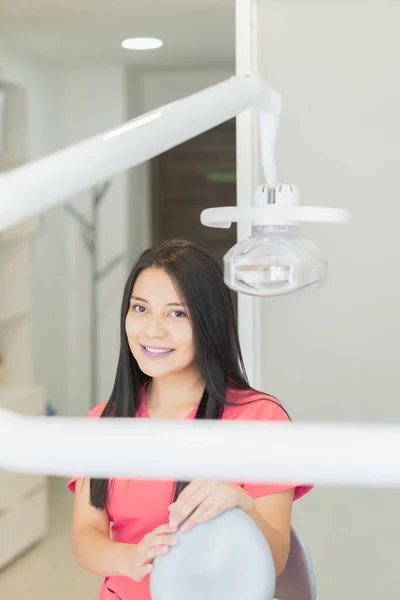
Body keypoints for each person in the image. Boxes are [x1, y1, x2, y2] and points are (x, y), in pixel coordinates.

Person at [68, 239, 312, 600]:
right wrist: (129, 557)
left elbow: (275, 560)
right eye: (140, 308)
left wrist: (239, 501)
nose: (152, 330)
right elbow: (86, 537)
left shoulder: (260, 419)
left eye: (176, 313)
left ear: (209, 322)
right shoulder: (106, 421)